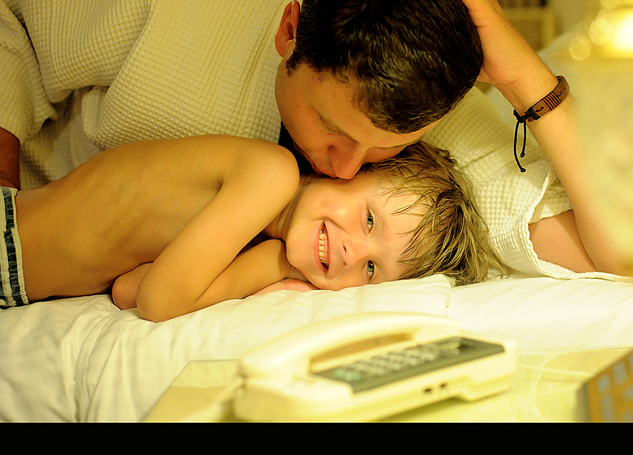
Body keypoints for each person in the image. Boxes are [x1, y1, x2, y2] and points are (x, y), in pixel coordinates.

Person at [0, 0, 624, 279]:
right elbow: (13, 12)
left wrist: (525, 77)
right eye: (331, 128)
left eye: (385, 150)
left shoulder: (437, 121)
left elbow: (623, 257)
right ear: (289, 32)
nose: (346, 169)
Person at [2, 135, 499, 321]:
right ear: (347, 169)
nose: (352, 252)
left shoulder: (257, 226)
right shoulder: (270, 174)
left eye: (372, 269)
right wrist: (278, 268)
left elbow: (129, 290)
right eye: (369, 219)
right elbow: (159, 303)